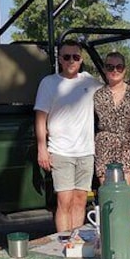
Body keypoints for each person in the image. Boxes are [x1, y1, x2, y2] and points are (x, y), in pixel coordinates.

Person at [34, 40, 102, 232]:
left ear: (81, 60)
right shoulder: (49, 83)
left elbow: (113, 87)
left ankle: (77, 240)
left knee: (80, 200)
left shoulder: (90, 81)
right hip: (60, 151)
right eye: (66, 57)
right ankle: (64, 241)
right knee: (64, 201)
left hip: (86, 152)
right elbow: (40, 118)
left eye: (75, 57)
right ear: (60, 59)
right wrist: (42, 149)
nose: (71, 61)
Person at [93, 52, 130, 185]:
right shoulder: (97, 95)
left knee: (124, 194)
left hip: (127, 147)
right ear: (104, 70)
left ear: (124, 70)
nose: (115, 70)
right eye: (110, 67)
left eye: (119, 67)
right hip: (104, 148)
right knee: (107, 194)